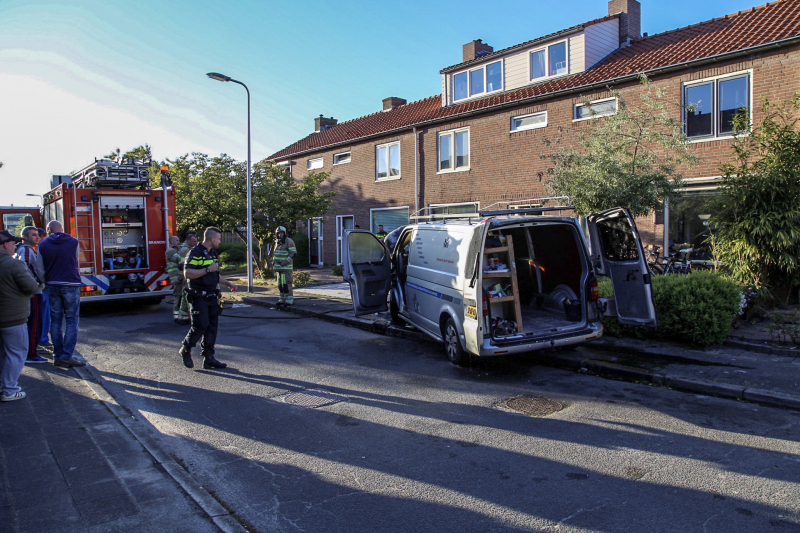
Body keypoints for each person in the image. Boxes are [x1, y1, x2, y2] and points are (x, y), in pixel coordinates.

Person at [180, 227, 237, 370]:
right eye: (218, 238)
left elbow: (214, 275)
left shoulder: (212, 253)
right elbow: (188, 273)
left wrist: (228, 283)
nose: (219, 241)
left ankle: (208, 358)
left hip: (212, 295)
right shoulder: (195, 252)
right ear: (212, 238)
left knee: (212, 328)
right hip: (199, 295)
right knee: (200, 325)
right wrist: (207, 269)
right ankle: (185, 349)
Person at [0, 230, 41, 401]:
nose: (14, 246)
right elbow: (31, 286)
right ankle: (9, 389)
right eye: (12, 243)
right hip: (13, 317)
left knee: (4, 353)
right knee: (17, 352)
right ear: (4, 245)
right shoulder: (13, 264)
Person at [37, 221, 85, 368]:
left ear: (48, 230)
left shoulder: (43, 244)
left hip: (53, 285)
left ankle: (58, 355)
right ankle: (67, 355)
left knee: (55, 321)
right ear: (62, 229)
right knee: (71, 321)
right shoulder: (73, 242)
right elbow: (76, 262)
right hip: (70, 284)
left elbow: (40, 268)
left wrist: (46, 281)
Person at [13, 226, 47, 364]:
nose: (37, 237)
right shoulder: (26, 250)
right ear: (25, 237)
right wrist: (37, 282)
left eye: (37, 235)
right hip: (33, 292)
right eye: (33, 235)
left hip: (32, 291)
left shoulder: (26, 249)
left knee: (33, 322)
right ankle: (31, 354)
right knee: (34, 323)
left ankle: (31, 350)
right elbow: (25, 267)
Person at [35, 228, 53, 353]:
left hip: (41, 286)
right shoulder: (37, 249)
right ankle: (42, 338)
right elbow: (39, 268)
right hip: (41, 287)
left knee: (45, 314)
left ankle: (42, 337)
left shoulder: (38, 248)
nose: (40, 238)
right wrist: (44, 282)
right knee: (43, 314)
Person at [176, 232, 198, 323]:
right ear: (188, 241)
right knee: (187, 296)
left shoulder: (187, 248)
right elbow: (183, 265)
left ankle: (183, 317)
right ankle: (185, 317)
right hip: (186, 276)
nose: (195, 243)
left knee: (185, 296)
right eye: (193, 241)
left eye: (196, 241)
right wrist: (184, 277)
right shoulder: (186, 250)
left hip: (185, 275)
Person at [165, 235, 187, 324]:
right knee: (178, 297)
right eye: (176, 240)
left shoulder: (177, 249)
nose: (178, 242)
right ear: (171, 242)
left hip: (179, 277)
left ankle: (181, 317)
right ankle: (177, 317)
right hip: (176, 278)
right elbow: (179, 259)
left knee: (182, 297)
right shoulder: (170, 251)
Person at [273, 226, 296, 307]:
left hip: (286, 268)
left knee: (287, 285)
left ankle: (289, 299)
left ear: (285, 233)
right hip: (278, 268)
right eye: (278, 233)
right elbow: (275, 255)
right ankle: (282, 298)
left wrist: (285, 262)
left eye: (281, 233)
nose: (280, 235)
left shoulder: (289, 241)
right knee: (280, 285)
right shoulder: (277, 242)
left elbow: (293, 254)